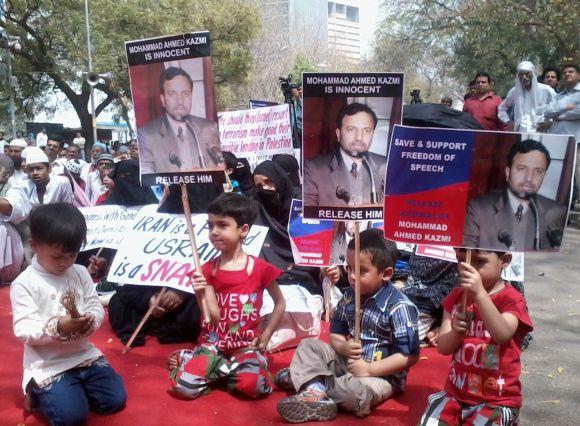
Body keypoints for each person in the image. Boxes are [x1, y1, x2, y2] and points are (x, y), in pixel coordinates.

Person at [275, 229, 419, 422]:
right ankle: (316, 388)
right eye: (349, 268)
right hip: (348, 363)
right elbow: (335, 334)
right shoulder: (349, 297)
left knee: (354, 393)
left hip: (381, 376)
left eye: (361, 270)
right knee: (309, 346)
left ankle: (310, 381)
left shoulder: (399, 307)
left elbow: (408, 356)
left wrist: (369, 370)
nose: (351, 276)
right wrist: (343, 346)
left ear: (386, 274)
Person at [10, 203, 126, 424]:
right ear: (34, 245)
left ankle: (71, 390)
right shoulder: (24, 283)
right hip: (48, 364)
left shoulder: (80, 272)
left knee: (114, 400)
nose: (65, 263)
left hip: (83, 355)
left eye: (72, 255)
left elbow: (95, 306)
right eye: (57, 257)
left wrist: (90, 319)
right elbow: (24, 330)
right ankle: (37, 389)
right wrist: (58, 327)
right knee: (71, 417)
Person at [169, 192, 286, 400]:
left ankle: (227, 370)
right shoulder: (205, 270)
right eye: (210, 225)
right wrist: (201, 291)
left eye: (222, 225)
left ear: (243, 230)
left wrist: (265, 336)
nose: (214, 232)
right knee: (184, 388)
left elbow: (280, 303)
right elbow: (212, 317)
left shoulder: (261, 269)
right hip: (213, 343)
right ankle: (199, 361)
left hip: (244, 346)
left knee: (254, 387)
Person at [418, 249, 532, 425]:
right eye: (461, 260)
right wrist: (455, 332)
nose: (467, 268)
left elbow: (502, 334)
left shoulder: (511, 299)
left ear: (505, 261)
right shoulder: (456, 298)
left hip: (496, 400)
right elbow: (444, 348)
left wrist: (479, 294)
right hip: (456, 394)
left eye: (479, 261)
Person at [463, 139, 567, 251]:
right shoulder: (479, 209)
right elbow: (467, 256)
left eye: (538, 171)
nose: (529, 178)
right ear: (507, 173)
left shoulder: (556, 212)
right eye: (522, 169)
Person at [138, 66, 224, 174]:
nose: (180, 101)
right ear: (163, 99)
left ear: (191, 96)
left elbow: (218, 170)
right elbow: (148, 176)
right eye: (172, 94)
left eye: (185, 93)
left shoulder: (209, 128)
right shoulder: (147, 134)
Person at [253, 161, 321, 295]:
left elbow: (316, 248)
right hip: (271, 285)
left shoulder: (303, 205)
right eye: (260, 186)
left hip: (306, 282)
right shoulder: (258, 212)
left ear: (279, 179)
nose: (265, 188)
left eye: (268, 182)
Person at [303, 102, 385, 208]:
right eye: (351, 129)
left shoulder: (387, 166)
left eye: (367, 131)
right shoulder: (313, 168)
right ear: (338, 134)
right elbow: (307, 216)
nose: (359, 138)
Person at [498, 61, 556, 132]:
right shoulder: (514, 91)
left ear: (533, 74)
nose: (524, 77)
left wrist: (550, 122)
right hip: (520, 132)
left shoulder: (546, 90)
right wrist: (508, 122)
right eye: (521, 74)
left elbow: (558, 108)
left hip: (540, 132)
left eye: (527, 74)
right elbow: (501, 109)